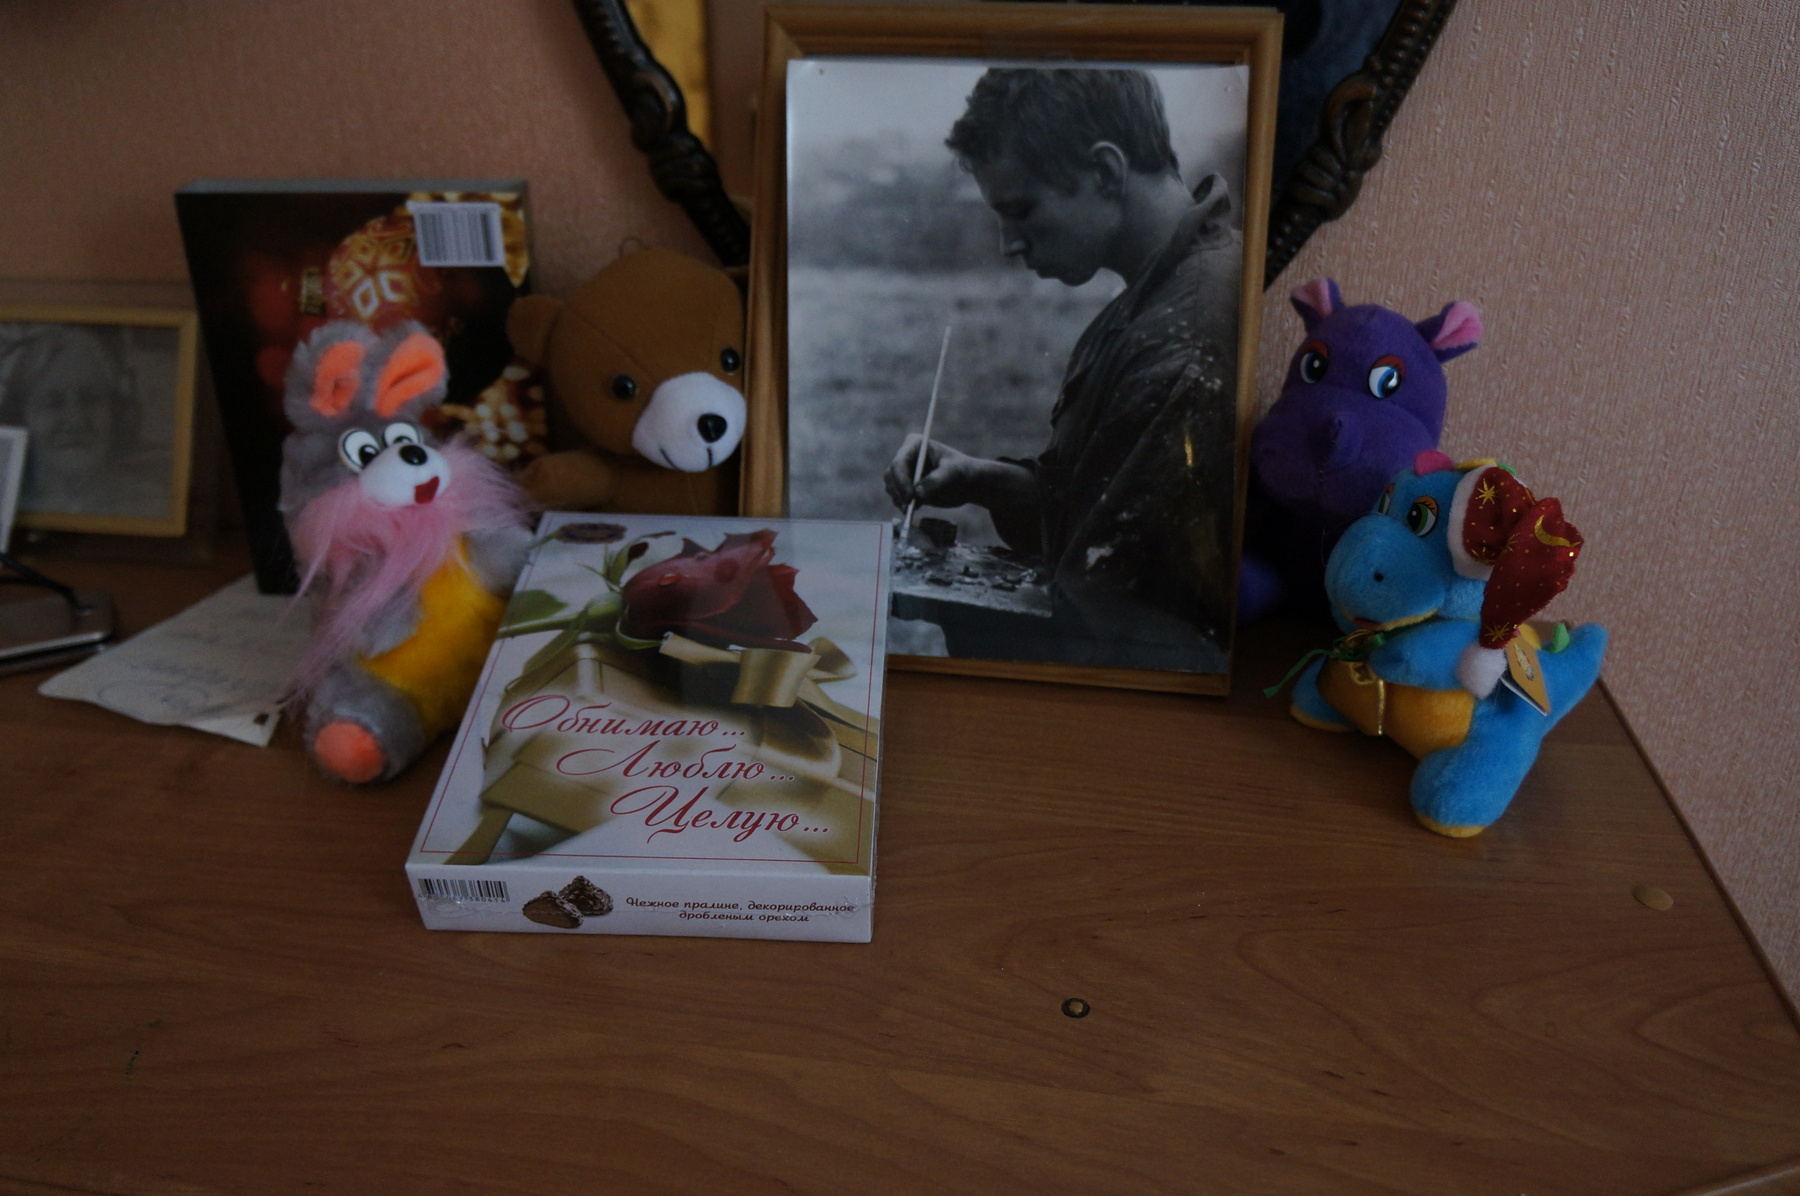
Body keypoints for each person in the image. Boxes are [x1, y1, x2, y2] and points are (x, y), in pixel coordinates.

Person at [882, 68, 1242, 671]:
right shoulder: (1155, 299)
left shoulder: (1183, 342)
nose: (1008, 244)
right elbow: (1111, 521)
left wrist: (923, 588)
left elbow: (1124, 634)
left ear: (1104, 171)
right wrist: (987, 481)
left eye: (1022, 210)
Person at [0, 324, 164, 519]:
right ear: (20, 419)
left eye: (90, 399)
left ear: (117, 413)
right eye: (54, 403)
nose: (76, 420)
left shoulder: (152, 506)